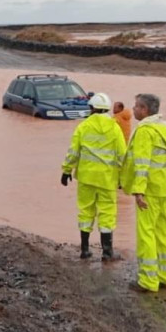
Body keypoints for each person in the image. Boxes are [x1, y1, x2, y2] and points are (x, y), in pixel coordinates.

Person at [120, 93, 166, 292]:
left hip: (150, 190)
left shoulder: (145, 131)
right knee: (164, 231)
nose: (133, 109)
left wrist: (138, 191)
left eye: (136, 106)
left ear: (145, 110)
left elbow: (141, 163)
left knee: (146, 233)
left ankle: (148, 281)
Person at [61, 93, 127, 261]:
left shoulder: (83, 126)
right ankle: (107, 252)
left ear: (92, 108)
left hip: (86, 177)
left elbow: (73, 151)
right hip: (107, 179)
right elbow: (122, 156)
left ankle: (84, 249)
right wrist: (123, 179)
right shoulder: (115, 128)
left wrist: (66, 170)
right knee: (107, 213)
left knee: (85, 210)